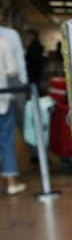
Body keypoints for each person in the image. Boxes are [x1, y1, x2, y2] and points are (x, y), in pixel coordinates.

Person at [0, 34, 25, 195]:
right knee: (6, 141)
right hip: (2, 99)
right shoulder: (2, 42)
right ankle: (11, 183)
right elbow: (12, 70)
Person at [0, 1, 28, 130]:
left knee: (20, 124)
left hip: (12, 86)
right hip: (7, 86)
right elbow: (12, 67)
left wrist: (22, 84)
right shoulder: (4, 41)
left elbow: (19, 62)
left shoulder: (10, 35)